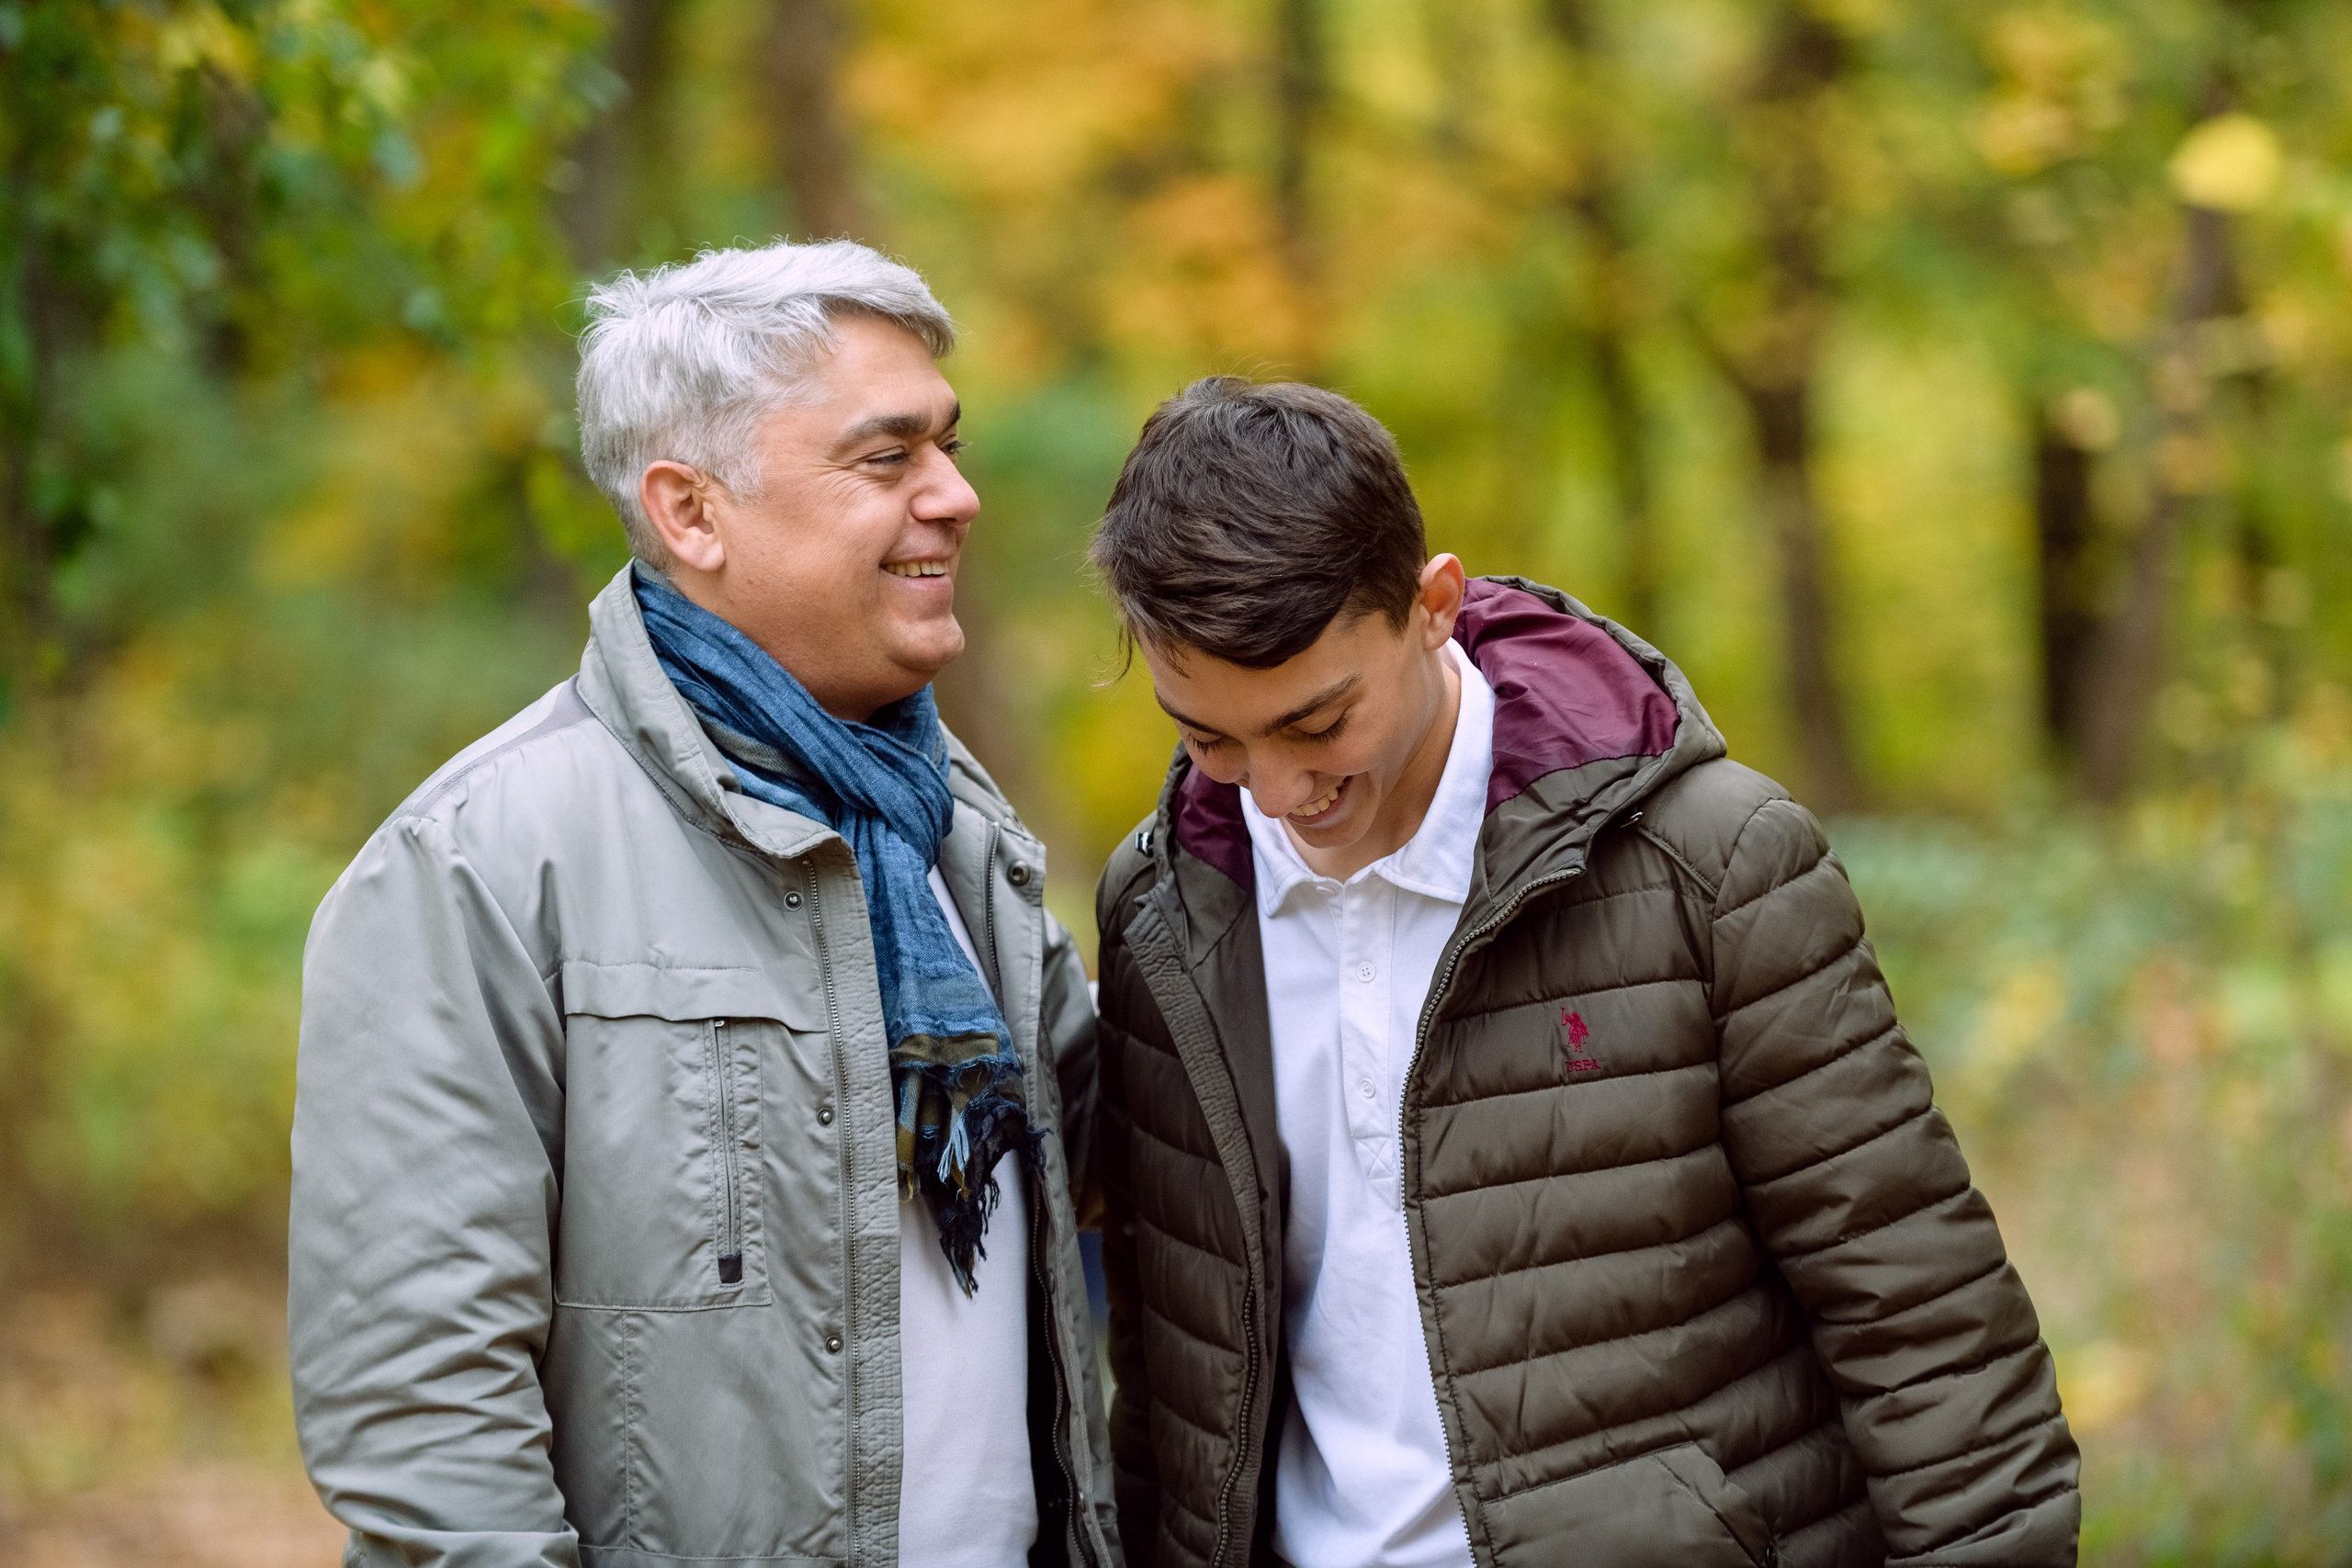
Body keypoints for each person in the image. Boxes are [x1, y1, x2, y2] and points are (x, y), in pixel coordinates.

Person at [1087, 378, 2079, 1568]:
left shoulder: (1711, 864)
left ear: (1433, 607)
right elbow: (1167, 1377)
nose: (1279, 792)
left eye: (1318, 724)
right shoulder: (1161, 913)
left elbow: (1919, 1319)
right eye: (1210, 738)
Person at [289, 240, 1117, 1568]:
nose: (957, 497)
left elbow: (1129, 1172)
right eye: (886, 458)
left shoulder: (957, 835)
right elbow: (421, 1412)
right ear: (691, 512)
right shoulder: (479, 864)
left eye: (949, 448)